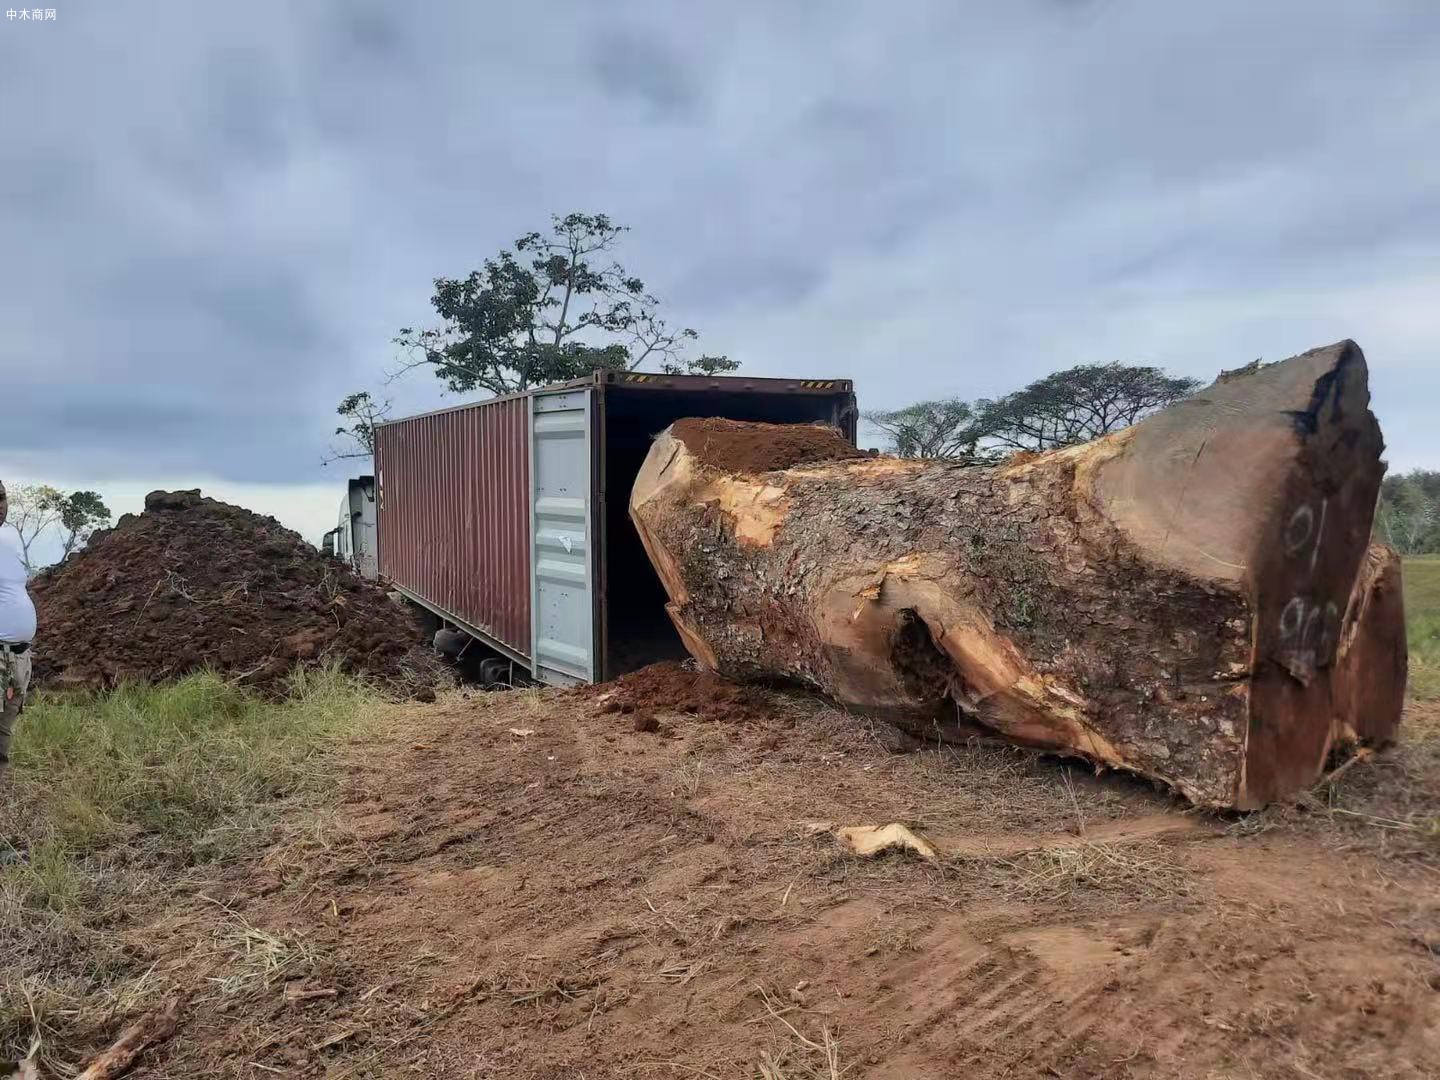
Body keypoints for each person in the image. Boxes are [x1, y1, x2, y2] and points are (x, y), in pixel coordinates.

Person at [0, 479, 37, 780]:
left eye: (1, 498)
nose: (0, 505)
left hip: (20, 655)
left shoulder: (9, 539)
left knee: (5, 723)